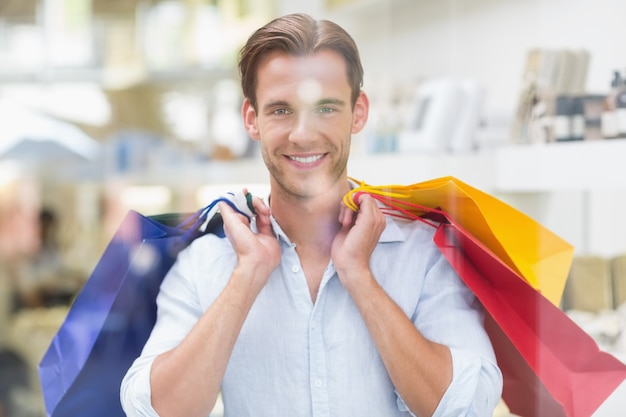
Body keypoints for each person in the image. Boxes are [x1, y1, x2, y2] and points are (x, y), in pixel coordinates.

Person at [121, 13, 502, 417]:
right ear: (252, 119)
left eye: (325, 108)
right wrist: (247, 275)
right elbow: (154, 411)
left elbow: (470, 405)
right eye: (282, 110)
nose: (303, 134)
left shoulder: (424, 254)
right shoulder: (206, 262)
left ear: (358, 112)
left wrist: (360, 277)